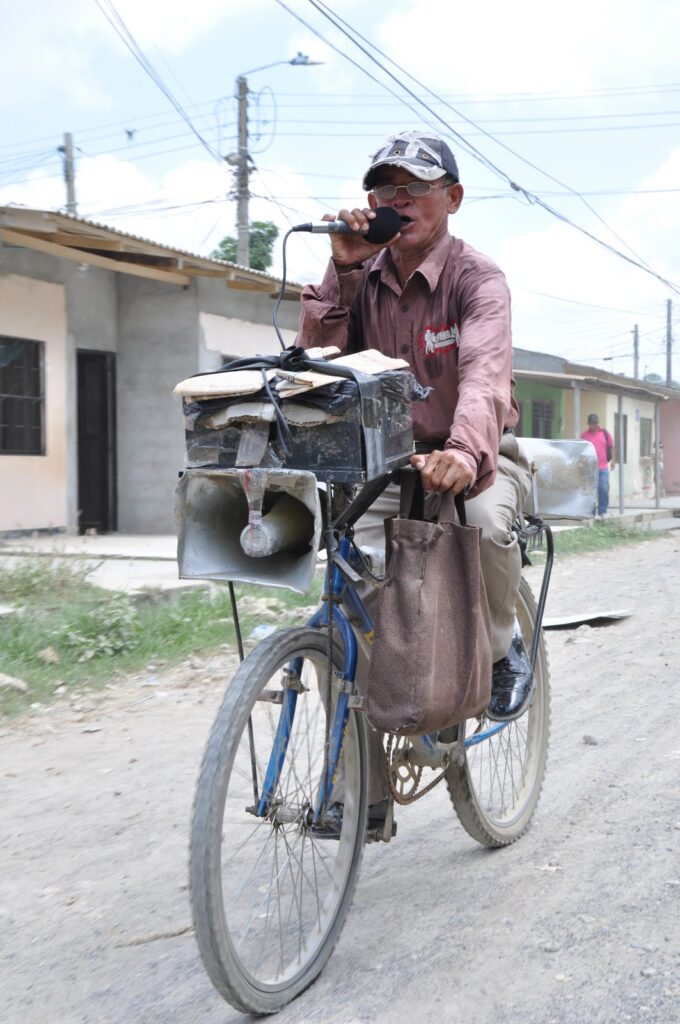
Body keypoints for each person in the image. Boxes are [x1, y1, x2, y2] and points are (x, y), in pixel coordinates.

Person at [297, 129, 533, 726]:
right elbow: (316, 366)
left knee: (484, 526)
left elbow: (484, 378)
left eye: (416, 188)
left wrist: (463, 451)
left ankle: (501, 650)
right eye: (385, 190)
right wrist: (343, 271)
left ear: (452, 198)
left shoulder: (477, 279)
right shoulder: (359, 271)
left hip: (476, 451)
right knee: (346, 577)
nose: (398, 201)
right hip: (386, 462)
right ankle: (360, 772)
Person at [580, 413, 615, 519]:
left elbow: (611, 446)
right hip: (590, 468)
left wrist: (614, 461)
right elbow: (581, 449)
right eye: (591, 423)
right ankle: (591, 512)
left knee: (603, 488)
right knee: (590, 491)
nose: (593, 425)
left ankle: (602, 511)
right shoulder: (584, 435)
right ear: (588, 423)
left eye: (594, 423)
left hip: (602, 466)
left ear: (597, 423)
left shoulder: (604, 433)